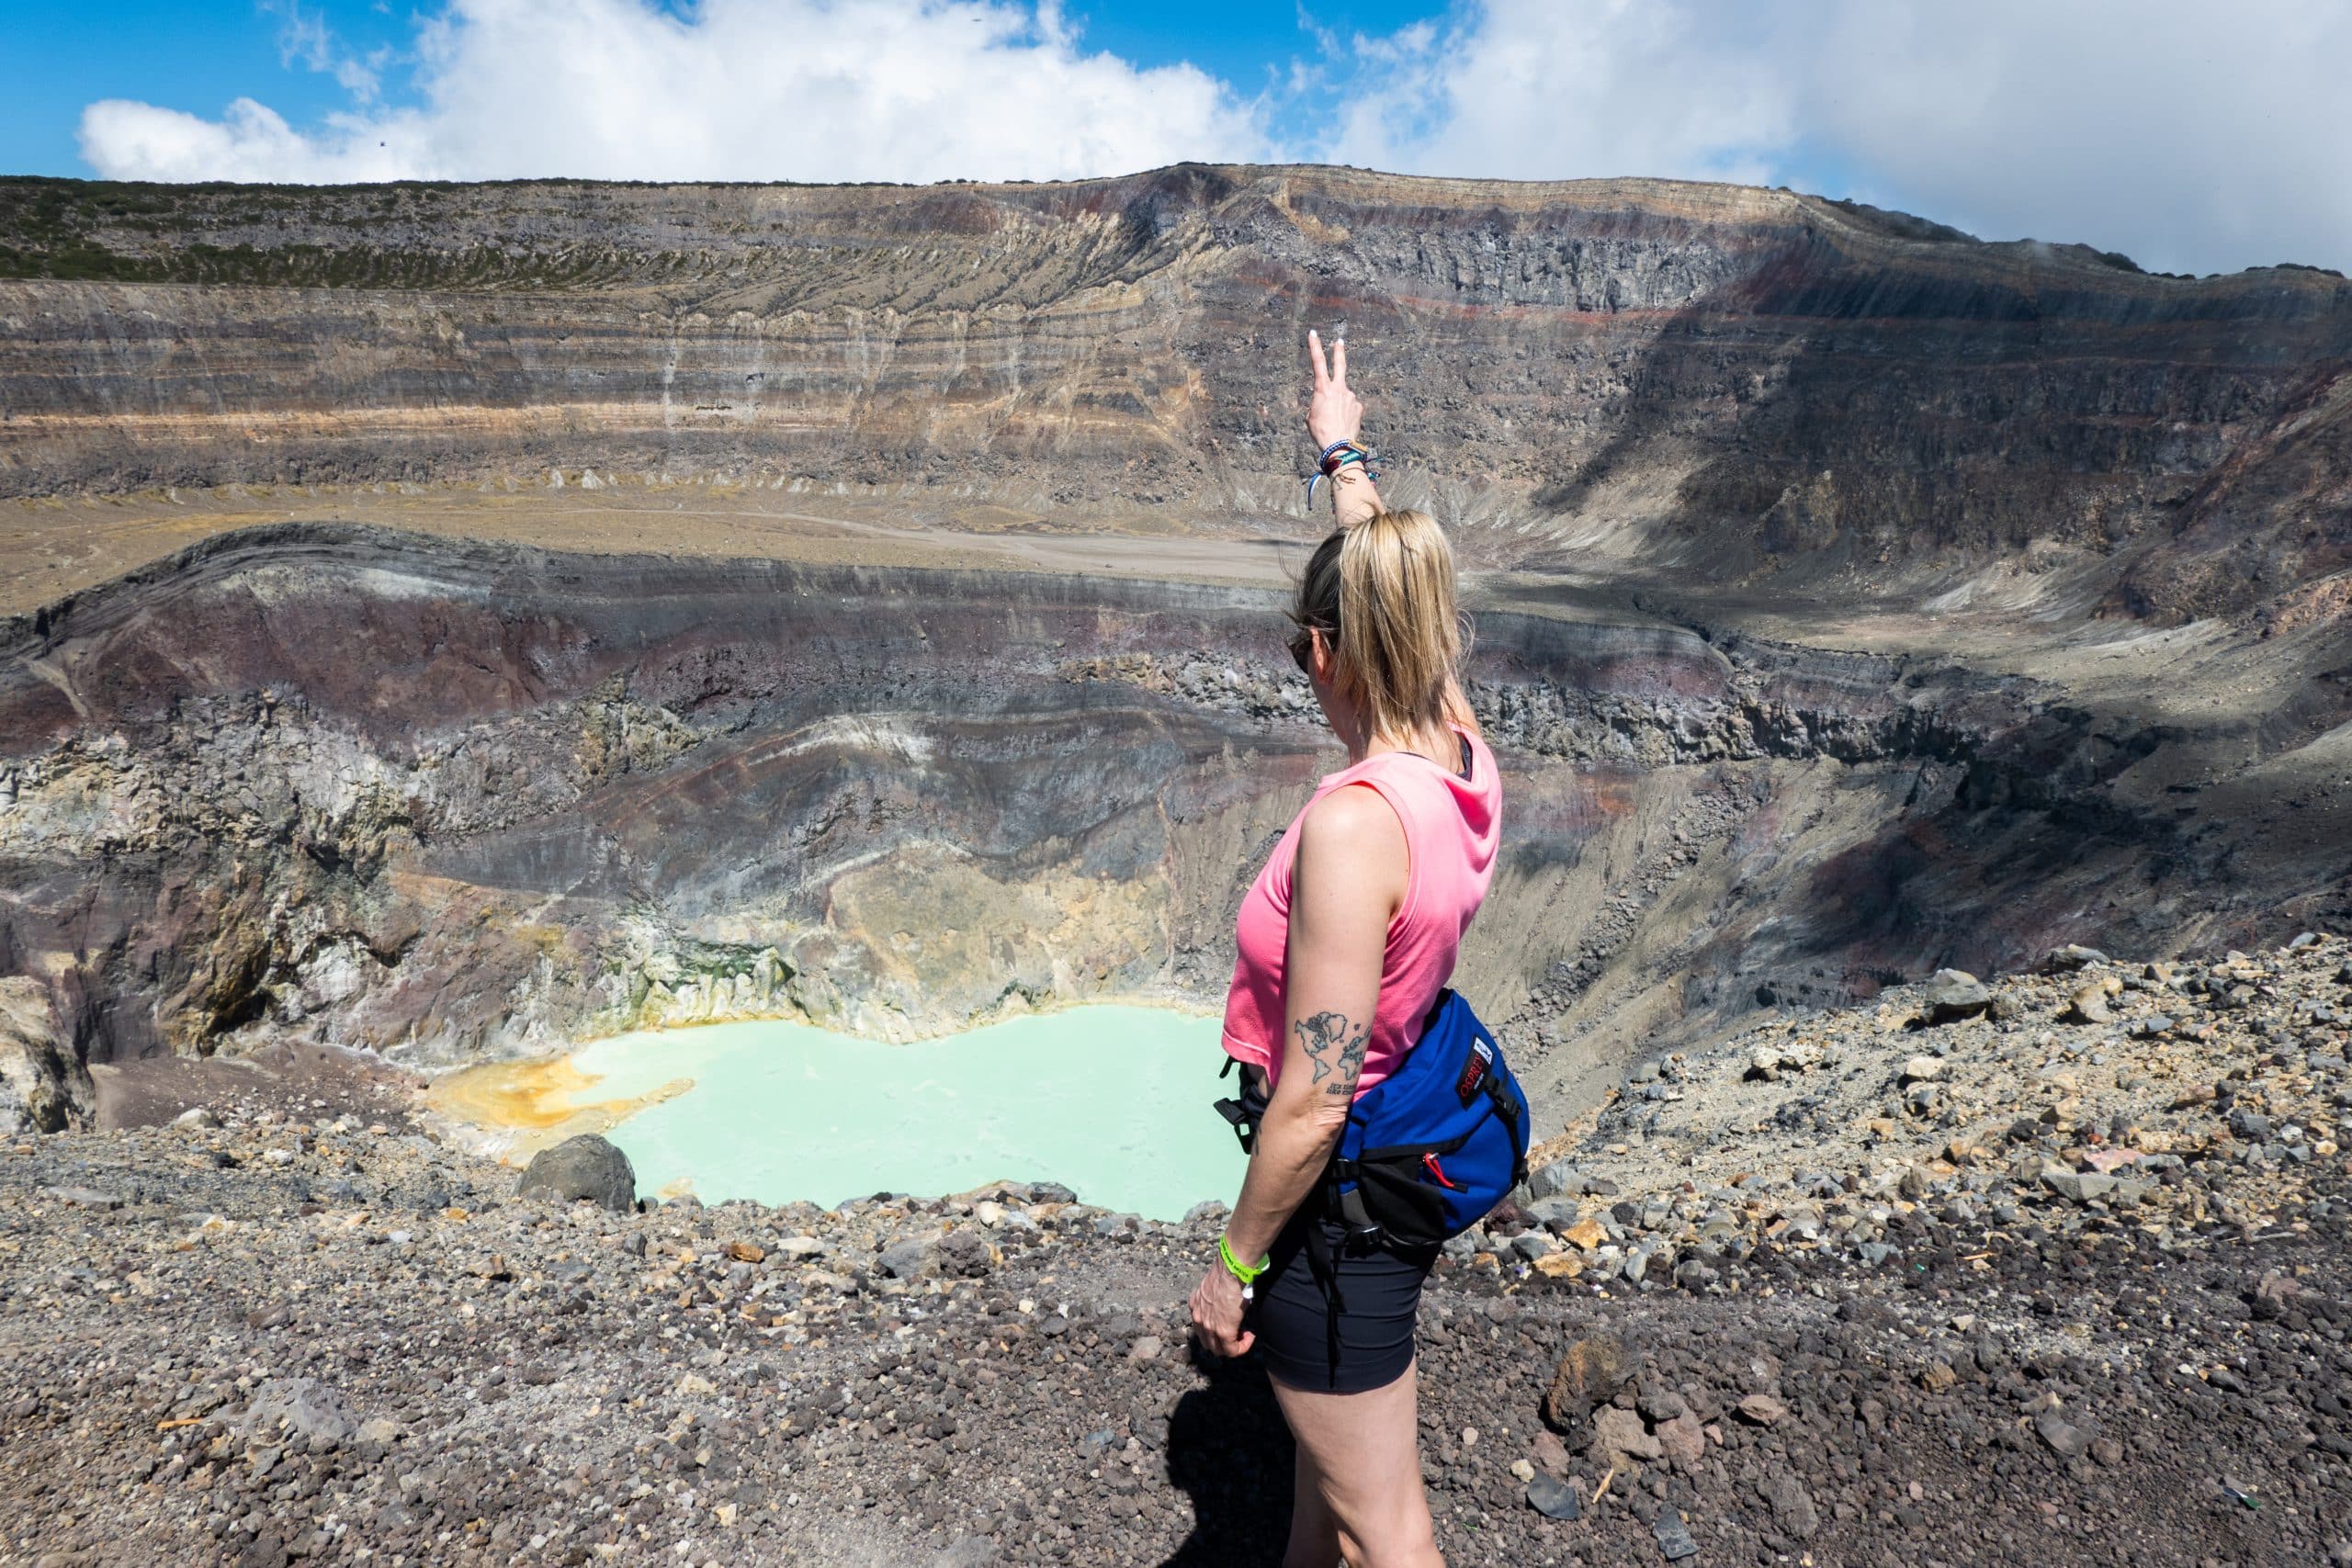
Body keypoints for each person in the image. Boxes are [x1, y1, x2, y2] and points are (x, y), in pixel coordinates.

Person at [1187, 330, 1501, 1568]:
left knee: (1387, 1532)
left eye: (1300, 653)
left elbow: (1313, 1099)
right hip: (1398, 1175)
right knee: (1327, 1509)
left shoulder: (1356, 827)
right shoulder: (1461, 749)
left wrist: (1232, 1262)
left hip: (1336, 1213)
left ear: (1326, 654)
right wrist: (1342, 453)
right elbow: (1393, 590)